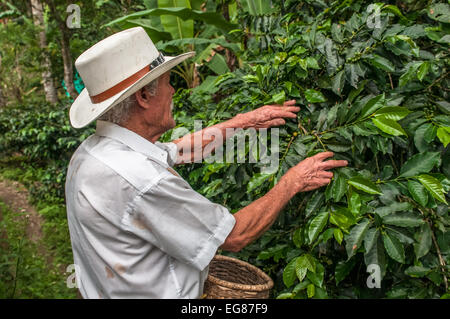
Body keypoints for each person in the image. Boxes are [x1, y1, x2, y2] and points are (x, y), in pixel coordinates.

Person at [65, 27, 348, 299]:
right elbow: (234, 235)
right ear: (143, 97)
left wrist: (242, 122)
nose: (173, 91)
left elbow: (177, 149)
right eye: (167, 83)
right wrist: (293, 181)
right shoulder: (142, 180)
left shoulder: (92, 152)